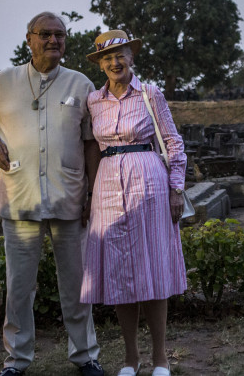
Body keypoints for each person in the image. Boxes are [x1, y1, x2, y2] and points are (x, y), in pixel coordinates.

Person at [0, 12, 104, 376]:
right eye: (45, 34)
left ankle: (85, 355)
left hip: (68, 198)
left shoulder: (80, 84)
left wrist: (90, 193)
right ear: (29, 39)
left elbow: (90, 143)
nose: (53, 40)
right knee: (19, 288)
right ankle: (17, 361)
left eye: (60, 35)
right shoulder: (4, 81)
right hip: (20, 198)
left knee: (76, 286)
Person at [80, 30, 188, 376]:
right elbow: (94, 149)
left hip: (148, 180)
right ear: (100, 64)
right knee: (118, 273)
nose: (115, 62)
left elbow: (173, 143)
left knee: (153, 269)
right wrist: (89, 195)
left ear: (132, 58)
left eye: (120, 55)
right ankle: (130, 358)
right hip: (108, 185)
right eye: (107, 58)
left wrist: (176, 189)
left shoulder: (149, 94)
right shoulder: (94, 101)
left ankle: (160, 358)